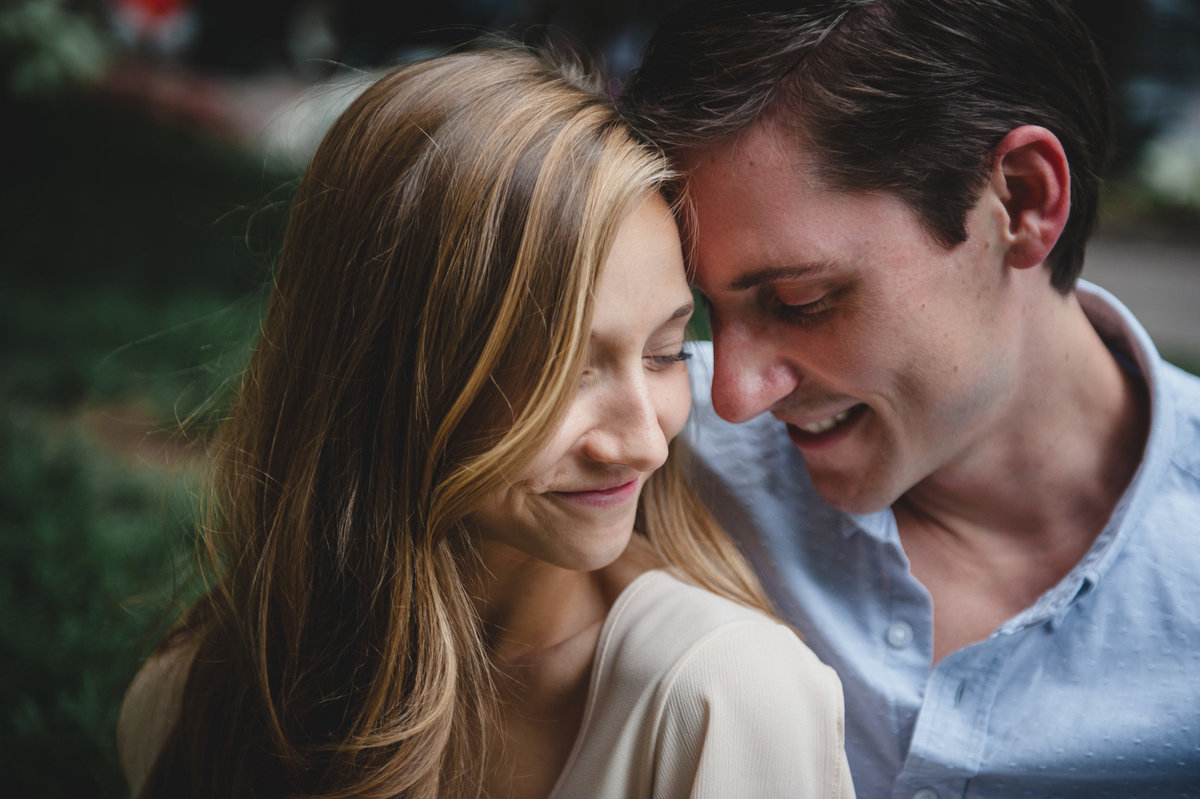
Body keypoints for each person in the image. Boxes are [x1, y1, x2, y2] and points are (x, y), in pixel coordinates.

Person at [116, 47, 856, 799]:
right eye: (563, 369)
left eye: (665, 353)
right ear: (390, 370)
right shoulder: (196, 696)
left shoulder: (724, 702)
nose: (642, 441)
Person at [621, 1, 1200, 797]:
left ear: (1023, 201)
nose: (730, 395)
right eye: (705, 311)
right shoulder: (639, 454)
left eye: (800, 299)